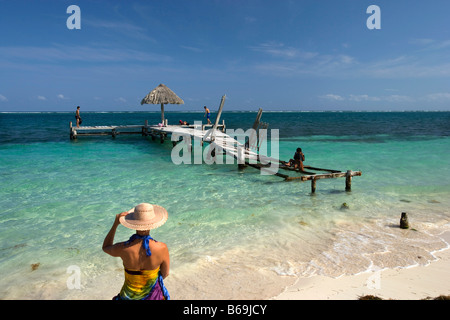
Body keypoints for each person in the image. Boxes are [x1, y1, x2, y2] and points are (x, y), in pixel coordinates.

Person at [102, 203, 170, 300]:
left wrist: (115, 224)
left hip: (128, 297)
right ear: (152, 223)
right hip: (154, 297)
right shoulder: (162, 248)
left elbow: (106, 247)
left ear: (134, 223)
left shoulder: (124, 248)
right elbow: (165, 273)